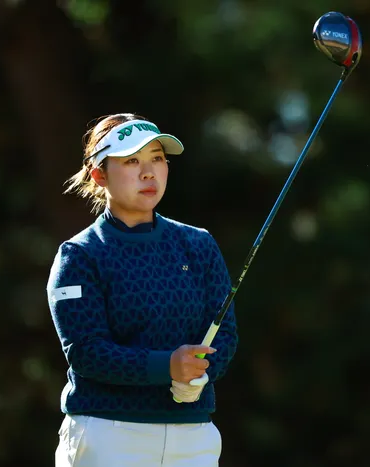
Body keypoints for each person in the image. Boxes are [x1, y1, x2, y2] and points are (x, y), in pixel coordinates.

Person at [46, 112, 239, 467]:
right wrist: (168, 367)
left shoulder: (199, 245)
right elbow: (87, 352)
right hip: (108, 435)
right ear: (99, 175)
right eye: (132, 161)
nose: (149, 172)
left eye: (157, 158)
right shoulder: (80, 255)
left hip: (193, 439)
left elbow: (224, 333)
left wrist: (201, 373)